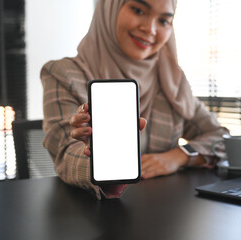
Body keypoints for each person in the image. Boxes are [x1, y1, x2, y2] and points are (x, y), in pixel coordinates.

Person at [41, 0, 229, 200]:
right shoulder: (64, 74)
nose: (150, 29)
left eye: (164, 21)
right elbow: (66, 154)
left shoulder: (170, 80)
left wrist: (179, 156)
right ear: (110, 8)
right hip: (89, 215)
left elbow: (220, 137)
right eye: (138, 10)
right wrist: (103, 163)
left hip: (162, 210)